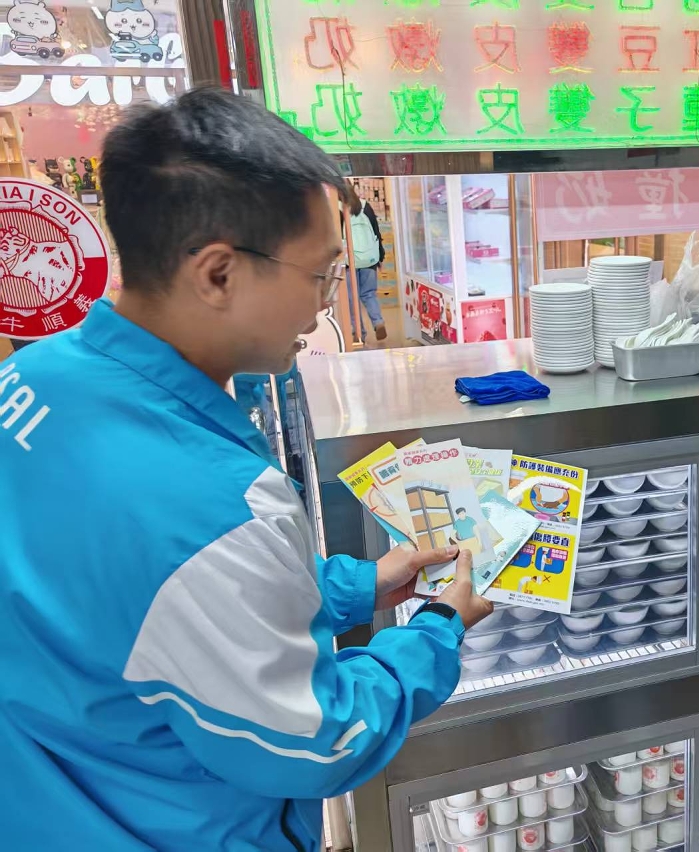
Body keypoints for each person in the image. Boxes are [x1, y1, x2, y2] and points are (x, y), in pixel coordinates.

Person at [0, 88, 494, 851]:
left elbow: (141, 600)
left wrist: (355, 586)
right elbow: (318, 739)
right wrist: (435, 629)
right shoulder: (211, 505)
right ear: (219, 274)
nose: (322, 306)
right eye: (321, 274)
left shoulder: (33, 377)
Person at [345, 182, 387, 344]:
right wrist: (380, 257)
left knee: (351, 297)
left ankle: (358, 333)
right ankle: (378, 322)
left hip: (349, 260)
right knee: (369, 294)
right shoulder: (365, 205)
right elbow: (376, 232)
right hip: (369, 258)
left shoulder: (339, 209)